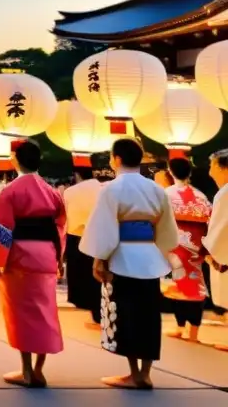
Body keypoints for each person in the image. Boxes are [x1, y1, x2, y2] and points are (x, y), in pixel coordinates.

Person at [80, 138, 178, 389]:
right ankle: (145, 373)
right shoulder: (156, 189)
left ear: (117, 159)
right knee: (148, 315)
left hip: (122, 256)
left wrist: (99, 259)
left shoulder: (111, 189)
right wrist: (162, 252)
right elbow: (167, 229)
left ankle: (134, 373)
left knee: (126, 314)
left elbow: (104, 228)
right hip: (149, 256)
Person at [0, 139, 65, 387]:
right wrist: (57, 256)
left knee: (21, 313)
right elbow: (59, 228)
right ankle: (38, 369)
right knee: (46, 311)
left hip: (19, 255)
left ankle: (26, 370)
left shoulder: (10, 191)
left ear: (15, 159)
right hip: (46, 254)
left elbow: (1, 229)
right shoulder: (52, 191)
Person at [163, 156, 212, 343]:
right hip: (196, 245)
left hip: (175, 244)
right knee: (195, 286)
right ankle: (193, 333)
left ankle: (180, 327)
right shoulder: (200, 196)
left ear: (170, 171)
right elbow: (210, 219)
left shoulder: (166, 194)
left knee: (178, 285)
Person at [63, 164, 104, 329]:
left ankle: (94, 314)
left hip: (76, 236)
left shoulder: (70, 192)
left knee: (83, 277)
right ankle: (99, 313)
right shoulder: (102, 188)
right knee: (97, 278)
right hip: (98, 234)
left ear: (77, 175)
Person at [202, 149, 228, 351]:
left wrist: (210, 249)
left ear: (221, 167)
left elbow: (221, 226)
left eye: (212, 166)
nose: (210, 170)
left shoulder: (225, 193)